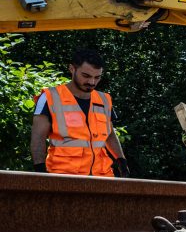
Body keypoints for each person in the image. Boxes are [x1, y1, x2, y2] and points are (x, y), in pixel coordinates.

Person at [31, 48, 128, 177]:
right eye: (86, 76)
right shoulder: (50, 97)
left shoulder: (104, 99)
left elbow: (109, 134)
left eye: (97, 77)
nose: (92, 82)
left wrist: (121, 161)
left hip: (102, 177)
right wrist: (40, 172)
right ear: (72, 69)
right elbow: (38, 138)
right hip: (63, 176)